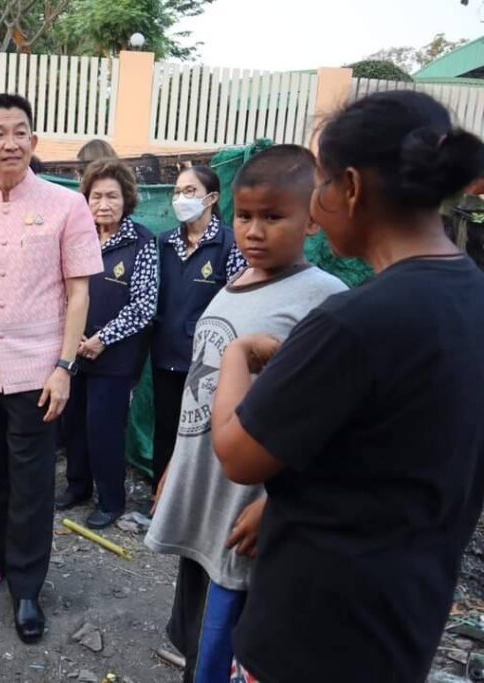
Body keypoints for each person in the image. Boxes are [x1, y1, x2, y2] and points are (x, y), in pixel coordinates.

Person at [211, 90, 484, 683]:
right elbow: (398, 443)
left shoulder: (352, 322)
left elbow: (237, 453)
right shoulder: (469, 294)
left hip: (314, 631)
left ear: (352, 187)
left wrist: (237, 356)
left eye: (323, 183)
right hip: (404, 620)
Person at [145, 145, 347, 683]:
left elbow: (332, 423)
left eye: (273, 217)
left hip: (247, 509)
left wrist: (281, 504)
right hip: (204, 493)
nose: (254, 231)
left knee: (225, 643)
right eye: (246, 216)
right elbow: (204, 383)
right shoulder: (233, 286)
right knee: (195, 633)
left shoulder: (324, 301)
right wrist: (177, 464)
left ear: (312, 221)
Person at [0, 94, 102, 644]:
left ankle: (28, 587)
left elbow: (79, 294)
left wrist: (64, 366)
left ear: (34, 141)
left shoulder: (66, 206)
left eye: (21, 132)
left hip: (39, 370)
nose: (12, 143)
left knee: (31, 481)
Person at [57, 159, 157, 529]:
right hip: (74, 348)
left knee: (104, 428)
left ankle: (111, 500)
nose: (103, 204)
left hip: (114, 355)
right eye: (96, 196)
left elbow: (144, 304)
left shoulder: (141, 241)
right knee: (73, 424)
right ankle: (77, 487)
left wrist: (103, 338)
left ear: (126, 198)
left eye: (112, 196)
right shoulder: (78, 236)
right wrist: (73, 337)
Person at [150, 165, 245, 492]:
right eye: (178, 191)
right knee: (165, 427)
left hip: (208, 359)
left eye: (190, 191)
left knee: (201, 432)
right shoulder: (165, 242)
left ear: (212, 198)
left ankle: (192, 499)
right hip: (165, 350)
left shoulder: (229, 244)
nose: (181, 198)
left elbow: (235, 301)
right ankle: (159, 499)